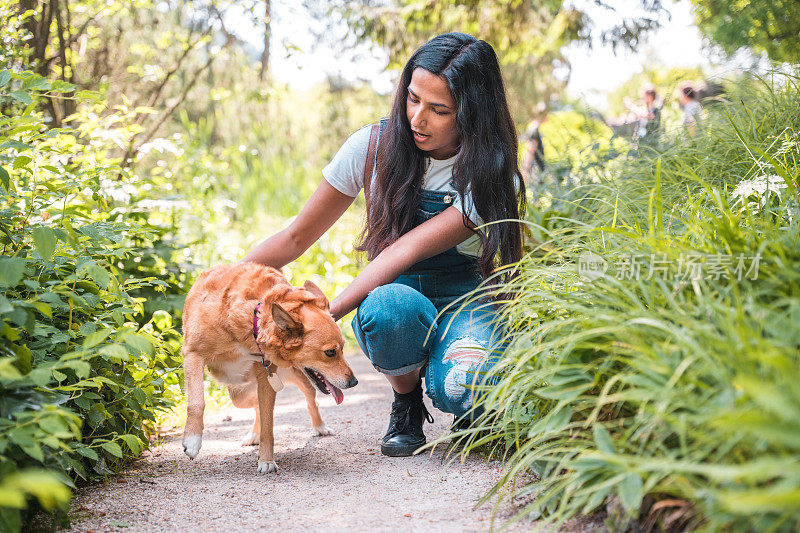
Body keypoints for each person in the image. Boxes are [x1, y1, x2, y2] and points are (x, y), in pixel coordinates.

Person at [242, 32, 526, 457]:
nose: (417, 119)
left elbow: (402, 251)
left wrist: (318, 320)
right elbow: (296, 236)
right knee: (388, 308)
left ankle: (463, 391)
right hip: (397, 295)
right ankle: (407, 400)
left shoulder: (487, 170)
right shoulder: (372, 146)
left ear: (472, 114)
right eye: (412, 99)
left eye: (438, 109)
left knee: (461, 387)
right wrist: (226, 286)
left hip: (463, 298)